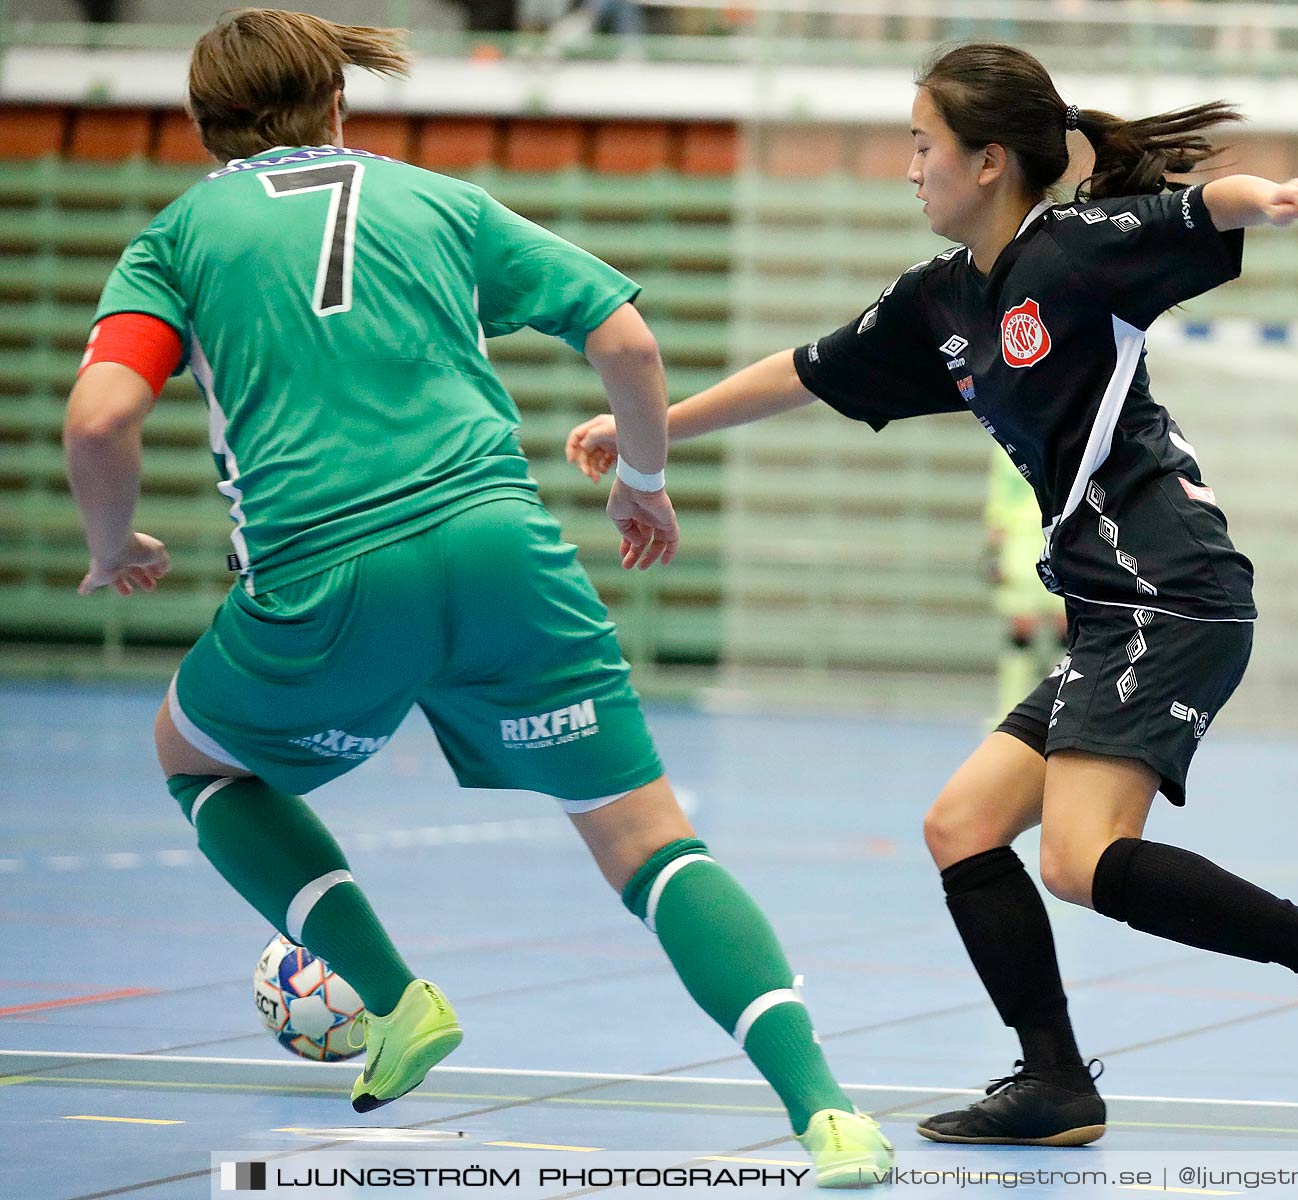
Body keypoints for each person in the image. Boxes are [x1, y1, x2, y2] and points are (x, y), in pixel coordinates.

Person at [61, 10, 891, 1187]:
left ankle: (394, 999)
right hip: (504, 548)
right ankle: (829, 1116)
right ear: (338, 107)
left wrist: (112, 543)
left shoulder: (179, 238)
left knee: (196, 761)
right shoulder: (435, 201)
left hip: (326, 574)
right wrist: (642, 485)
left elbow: (99, 418)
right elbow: (629, 343)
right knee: (648, 839)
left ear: (202, 129)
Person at [567, 42, 1298, 1146]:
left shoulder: (1073, 256)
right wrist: (651, 431)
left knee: (1074, 857)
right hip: (1111, 608)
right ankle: (1055, 1082)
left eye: (922, 146)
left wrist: (1277, 200)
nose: (909, 168)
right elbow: (803, 370)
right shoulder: (942, 301)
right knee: (962, 825)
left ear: (987, 160)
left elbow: (1200, 208)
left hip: (1171, 590)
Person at [985, 448, 1071, 716]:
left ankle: (1064, 713)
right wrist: (993, 552)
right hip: (1020, 547)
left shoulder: (1067, 437)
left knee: (1067, 630)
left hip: (1061, 542)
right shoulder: (1004, 444)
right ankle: (1010, 713)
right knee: (1022, 629)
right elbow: (1000, 497)